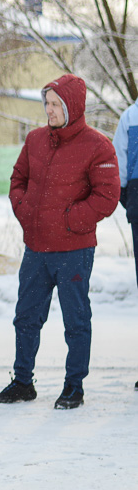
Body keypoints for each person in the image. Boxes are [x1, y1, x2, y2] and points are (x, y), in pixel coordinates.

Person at [0, 74, 118, 410]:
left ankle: (74, 386)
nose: (49, 110)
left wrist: (70, 220)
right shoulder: (34, 140)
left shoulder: (98, 145)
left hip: (74, 250)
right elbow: (18, 179)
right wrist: (24, 209)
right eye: (46, 103)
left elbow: (107, 196)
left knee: (76, 320)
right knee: (26, 317)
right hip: (36, 249)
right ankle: (22, 382)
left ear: (72, 106)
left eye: (56, 104)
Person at [111, 94, 138, 390]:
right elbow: (118, 166)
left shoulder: (130, 116)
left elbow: (120, 170)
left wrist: (131, 201)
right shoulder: (130, 117)